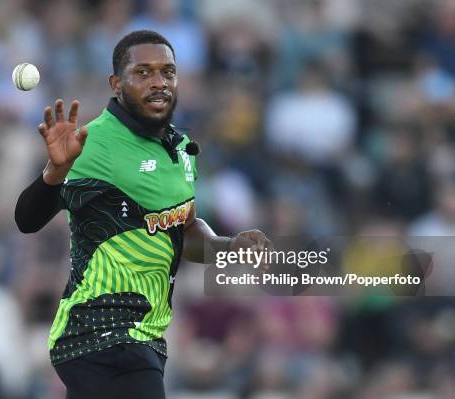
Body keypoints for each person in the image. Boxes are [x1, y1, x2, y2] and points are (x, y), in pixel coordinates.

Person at [15, 30, 270, 399]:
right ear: (116, 84)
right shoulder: (95, 142)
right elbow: (27, 220)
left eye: (168, 72)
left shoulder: (181, 148)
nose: (159, 83)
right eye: (144, 72)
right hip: (100, 332)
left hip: (142, 337)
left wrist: (228, 245)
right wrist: (54, 174)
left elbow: (182, 233)